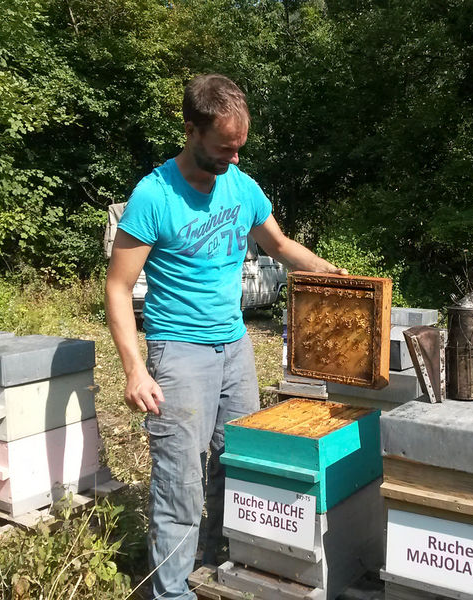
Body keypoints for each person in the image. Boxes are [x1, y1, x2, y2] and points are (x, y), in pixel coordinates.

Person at [105, 73, 346, 600]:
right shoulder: (154, 195)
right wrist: (134, 369)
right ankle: (171, 591)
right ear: (191, 129)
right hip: (179, 352)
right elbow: (119, 288)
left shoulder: (243, 186)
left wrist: (335, 278)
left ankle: (213, 568)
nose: (233, 160)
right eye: (223, 149)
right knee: (180, 482)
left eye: (240, 148)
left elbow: (280, 245)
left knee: (236, 465)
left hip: (235, 347)